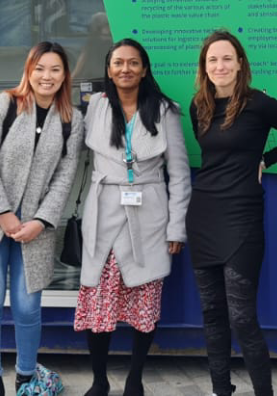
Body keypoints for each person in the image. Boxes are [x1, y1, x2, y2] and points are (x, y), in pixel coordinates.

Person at [0, 42, 83, 396]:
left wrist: (40, 221)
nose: (47, 76)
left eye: (55, 69)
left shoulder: (72, 118)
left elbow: (64, 177)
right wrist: (4, 214)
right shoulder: (6, 104)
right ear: (29, 70)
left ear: (65, 75)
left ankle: (26, 378)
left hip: (35, 226)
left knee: (27, 307)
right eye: (40, 68)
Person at [74, 38, 191, 396]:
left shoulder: (165, 110)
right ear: (108, 68)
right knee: (99, 303)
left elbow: (180, 173)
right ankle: (99, 379)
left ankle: (135, 378)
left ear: (144, 69)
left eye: (133, 63)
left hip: (150, 216)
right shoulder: (95, 106)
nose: (125, 69)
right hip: (103, 215)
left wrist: (176, 227)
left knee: (144, 303)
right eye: (118, 63)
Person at [187, 30, 277, 396]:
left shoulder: (258, 103)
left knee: (242, 317)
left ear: (240, 63)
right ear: (205, 67)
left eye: (227, 58)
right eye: (212, 60)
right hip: (203, 214)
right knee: (212, 314)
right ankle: (220, 390)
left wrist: (267, 159)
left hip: (242, 215)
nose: (220, 66)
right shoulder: (201, 105)